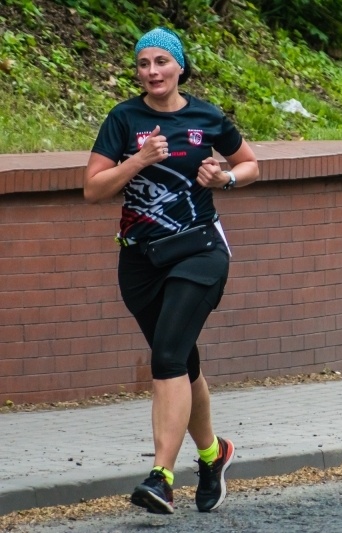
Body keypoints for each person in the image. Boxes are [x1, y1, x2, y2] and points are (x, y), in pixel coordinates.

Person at [84, 27, 259, 514]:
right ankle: (213, 453)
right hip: (139, 260)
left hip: (199, 250)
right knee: (183, 361)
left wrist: (223, 178)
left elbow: (250, 166)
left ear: (180, 66)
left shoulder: (206, 117)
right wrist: (137, 161)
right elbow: (93, 189)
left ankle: (161, 476)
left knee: (166, 358)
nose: (152, 72)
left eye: (162, 61)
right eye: (143, 64)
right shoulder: (123, 118)